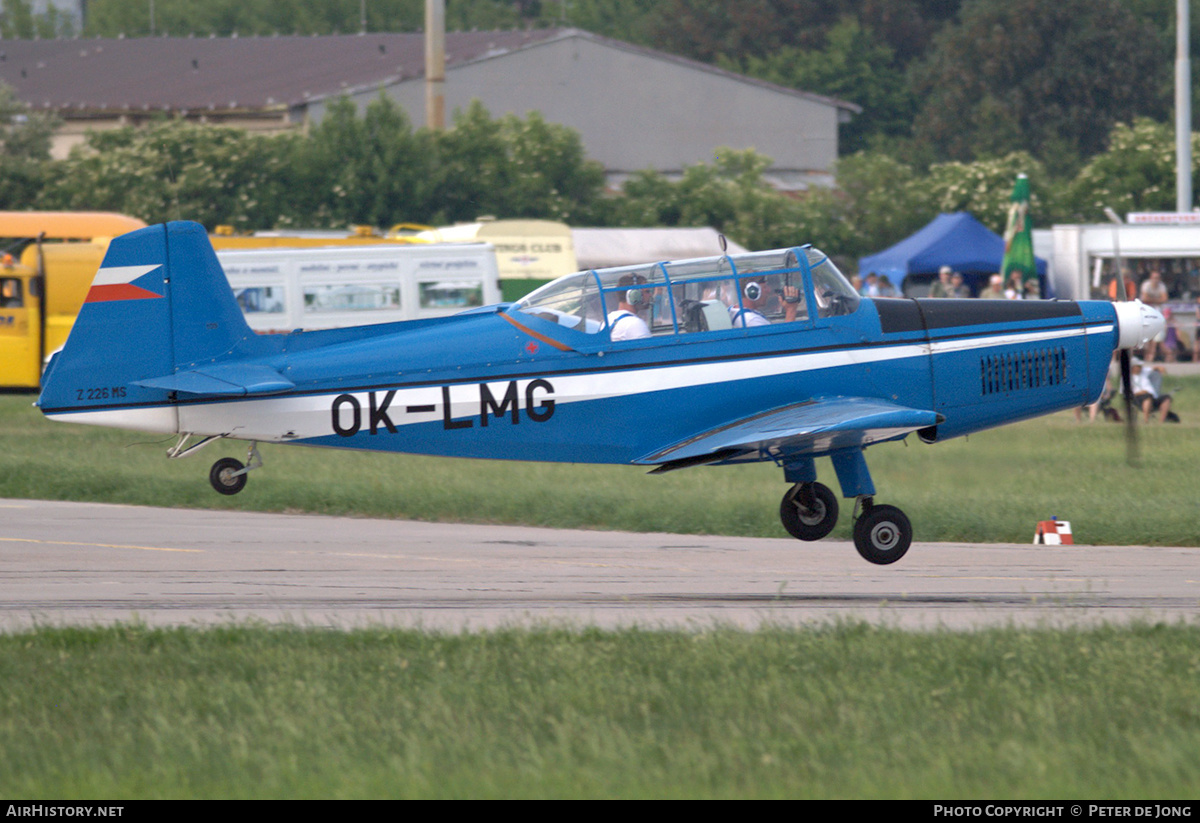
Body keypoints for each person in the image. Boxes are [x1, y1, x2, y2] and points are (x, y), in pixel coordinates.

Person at [729, 278, 800, 327]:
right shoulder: (752, 320)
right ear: (752, 292)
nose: (769, 290)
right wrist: (791, 310)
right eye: (765, 287)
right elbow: (782, 344)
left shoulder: (734, 310)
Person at [605, 274, 651, 341]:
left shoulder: (609, 318)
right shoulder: (635, 324)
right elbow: (649, 350)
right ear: (634, 294)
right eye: (647, 291)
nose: (650, 295)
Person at [1139, 269, 1169, 361]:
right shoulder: (1146, 285)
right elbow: (1144, 298)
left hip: (1157, 313)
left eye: (1158, 278)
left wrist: (1151, 300)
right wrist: (1157, 299)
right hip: (1146, 313)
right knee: (1148, 337)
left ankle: (1151, 358)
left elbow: (1164, 299)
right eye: (1154, 277)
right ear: (1151, 278)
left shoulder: (1162, 286)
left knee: (1157, 338)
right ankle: (1147, 357)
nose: (1156, 280)